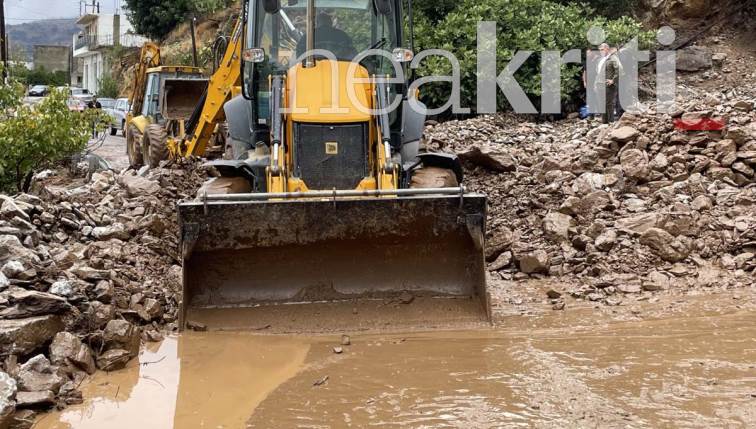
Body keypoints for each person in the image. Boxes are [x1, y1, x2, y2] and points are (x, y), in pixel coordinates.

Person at [596, 43, 621, 124]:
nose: (601, 51)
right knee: (601, 103)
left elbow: (619, 70)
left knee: (608, 103)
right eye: (600, 50)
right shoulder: (600, 60)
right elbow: (598, 73)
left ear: (607, 49)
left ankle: (611, 121)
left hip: (608, 85)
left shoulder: (613, 58)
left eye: (602, 49)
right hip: (599, 84)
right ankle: (604, 122)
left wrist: (613, 80)